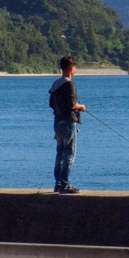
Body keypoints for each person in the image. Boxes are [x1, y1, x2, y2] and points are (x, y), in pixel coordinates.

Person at [48, 55, 87, 194]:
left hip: (57, 122)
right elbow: (72, 105)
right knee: (69, 154)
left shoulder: (55, 84)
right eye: (75, 68)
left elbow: (51, 103)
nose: (75, 70)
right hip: (68, 123)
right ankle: (65, 184)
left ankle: (58, 184)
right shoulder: (70, 84)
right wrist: (81, 107)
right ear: (71, 68)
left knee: (60, 154)